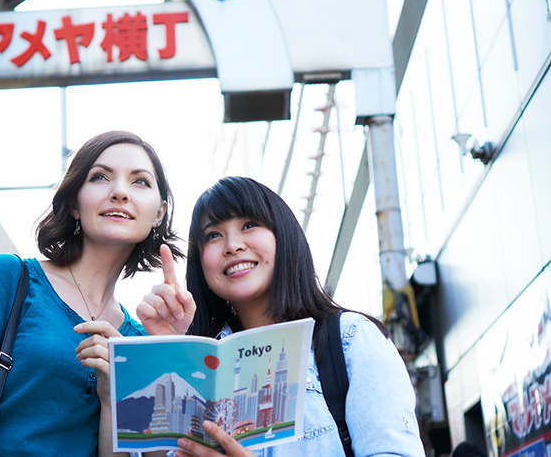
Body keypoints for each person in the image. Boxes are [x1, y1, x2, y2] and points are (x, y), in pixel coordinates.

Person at [0, 130, 183, 457]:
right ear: (74, 204)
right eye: (100, 177)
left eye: (140, 181)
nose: (120, 192)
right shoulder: (10, 278)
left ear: (159, 213)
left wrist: (113, 395)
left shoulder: (138, 342)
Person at [137, 176, 425, 456]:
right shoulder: (198, 364)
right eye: (213, 234)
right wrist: (171, 351)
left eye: (249, 225)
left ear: (283, 235)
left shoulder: (351, 339)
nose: (232, 245)